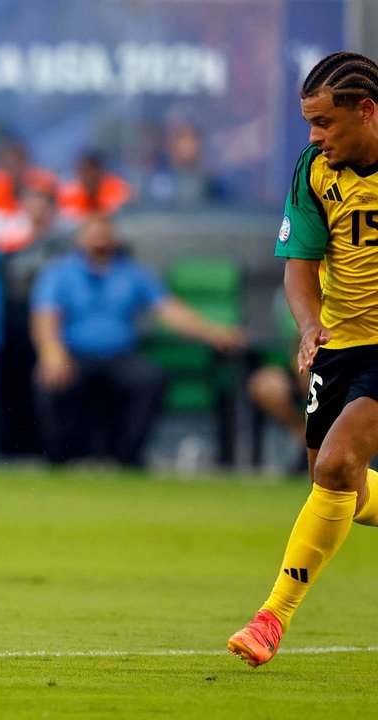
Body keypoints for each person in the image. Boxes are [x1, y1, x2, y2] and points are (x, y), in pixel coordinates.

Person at [228, 51, 378, 667]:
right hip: (340, 344)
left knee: (339, 464)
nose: (315, 137)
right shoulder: (316, 170)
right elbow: (300, 265)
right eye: (309, 124)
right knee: (333, 477)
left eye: (324, 123)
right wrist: (310, 324)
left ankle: (272, 618)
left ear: (366, 111)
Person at [29, 214, 243, 467]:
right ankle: (63, 458)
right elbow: (45, 317)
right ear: (79, 238)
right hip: (74, 355)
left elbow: (170, 311)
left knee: (151, 379)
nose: (99, 239)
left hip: (119, 356)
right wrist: (51, 353)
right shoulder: (60, 272)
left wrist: (215, 333)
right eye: (92, 232)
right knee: (49, 381)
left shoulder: (132, 273)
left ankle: (127, 458)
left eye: (104, 232)